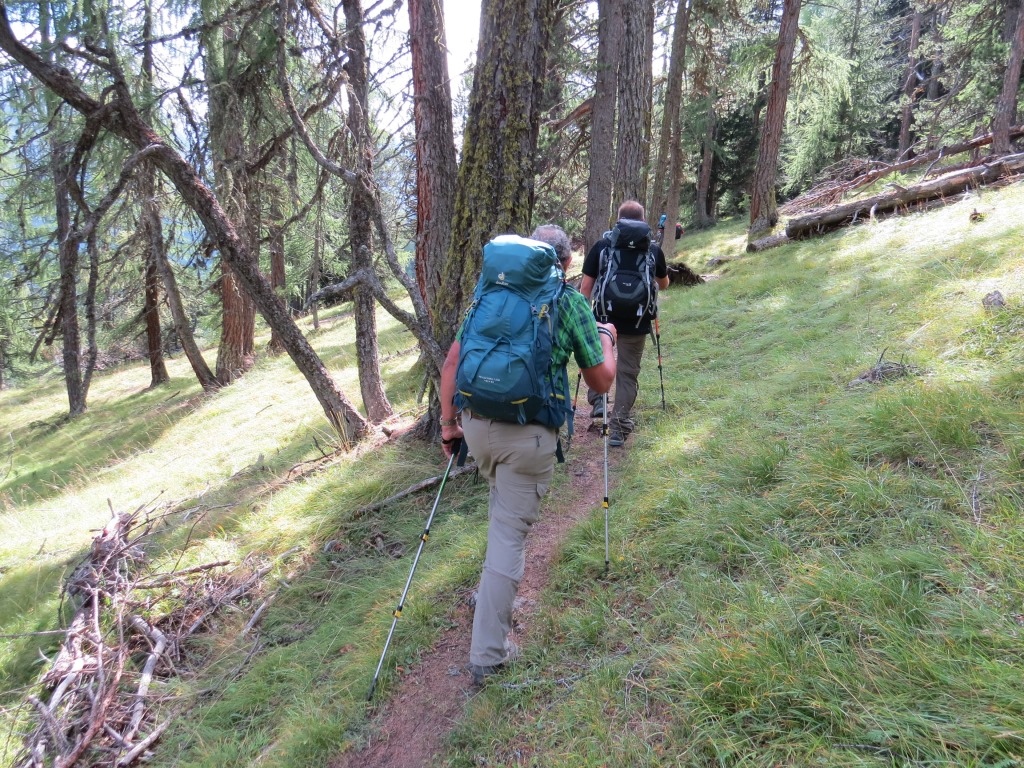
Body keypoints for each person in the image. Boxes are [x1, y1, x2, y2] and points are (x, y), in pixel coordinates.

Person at [439, 224, 617, 685]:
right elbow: (601, 381)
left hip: (476, 425)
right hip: (529, 435)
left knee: (502, 511)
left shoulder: (487, 294)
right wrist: (607, 338)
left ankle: (488, 595)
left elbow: (453, 362)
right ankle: (489, 656)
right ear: (566, 262)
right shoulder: (568, 301)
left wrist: (448, 425)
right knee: (509, 535)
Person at [580, 200, 670, 447]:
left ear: (618, 219)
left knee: (596, 359)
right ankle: (618, 428)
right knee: (627, 373)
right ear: (643, 220)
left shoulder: (603, 246)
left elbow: (586, 287)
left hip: (603, 317)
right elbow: (663, 284)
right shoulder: (652, 249)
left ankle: (599, 401)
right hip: (637, 321)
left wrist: (584, 317)